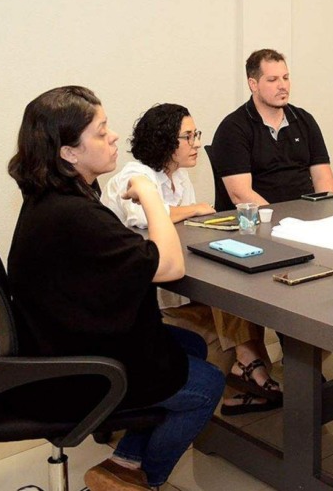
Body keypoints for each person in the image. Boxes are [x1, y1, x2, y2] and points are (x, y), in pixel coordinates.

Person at [6, 86, 225, 491]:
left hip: (62, 336)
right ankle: (146, 481)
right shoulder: (73, 214)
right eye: (101, 130)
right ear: (69, 152)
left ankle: (125, 462)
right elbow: (170, 263)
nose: (112, 137)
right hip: (79, 364)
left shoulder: (56, 195)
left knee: (191, 346)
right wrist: (147, 193)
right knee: (209, 384)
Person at [102, 103, 282, 415]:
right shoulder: (134, 177)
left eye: (196, 134)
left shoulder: (179, 177)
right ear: (164, 142)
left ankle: (242, 371)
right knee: (232, 301)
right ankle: (245, 367)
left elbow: (184, 229)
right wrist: (194, 209)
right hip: (142, 296)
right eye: (189, 136)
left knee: (238, 287)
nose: (197, 142)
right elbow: (143, 218)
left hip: (176, 277)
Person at [211, 48, 333, 208]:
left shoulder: (304, 120)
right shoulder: (233, 128)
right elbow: (240, 195)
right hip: (260, 222)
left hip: (306, 218)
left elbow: (323, 179)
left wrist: (327, 213)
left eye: (285, 78)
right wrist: (279, 220)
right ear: (253, 84)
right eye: (272, 80)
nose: (282, 86)